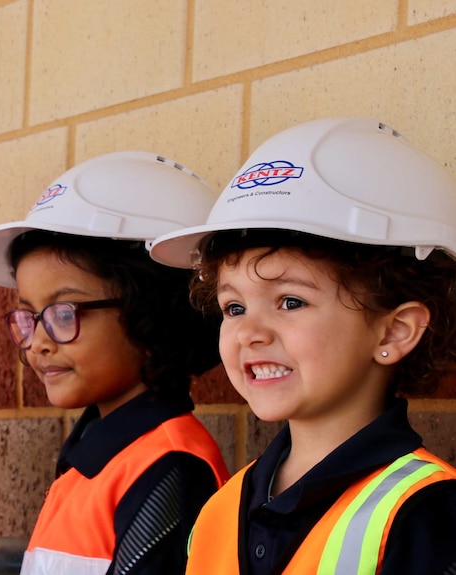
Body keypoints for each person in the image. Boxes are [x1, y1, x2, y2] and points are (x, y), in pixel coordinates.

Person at [149, 117, 456, 574]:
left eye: (290, 301)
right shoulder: (220, 508)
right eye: (234, 308)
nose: (251, 332)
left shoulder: (428, 513)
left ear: (394, 332)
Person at [0, 151, 231, 575]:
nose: (38, 344)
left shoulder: (170, 468)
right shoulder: (97, 454)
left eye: (64, 314)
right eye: (28, 317)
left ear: (153, 313)